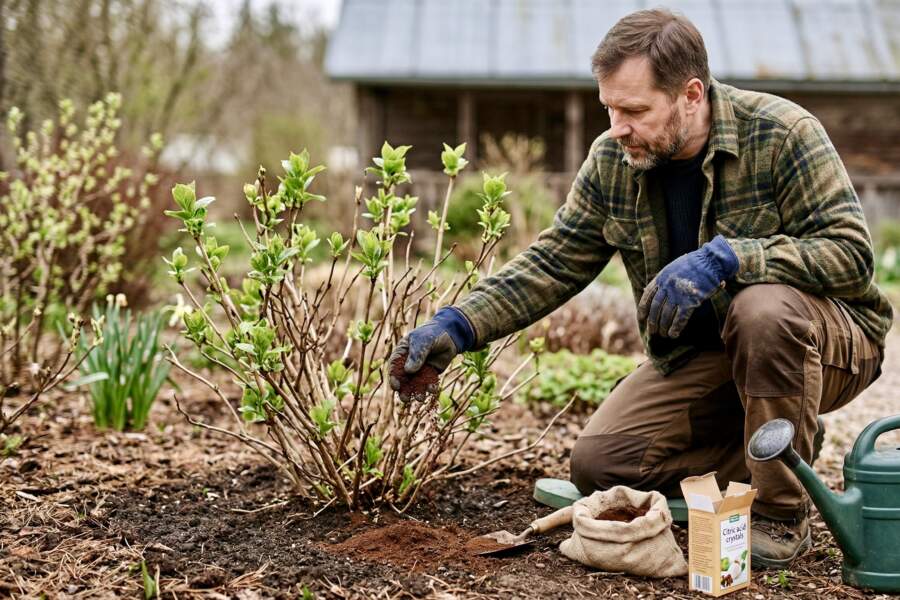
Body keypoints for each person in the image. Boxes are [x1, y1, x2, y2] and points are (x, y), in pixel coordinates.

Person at [388, 8, 892, 568]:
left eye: (634, 110)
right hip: (710, 355)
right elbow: (555, 260)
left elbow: (852, 256)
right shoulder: (614, 159)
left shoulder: (782, 134)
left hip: (828, 345)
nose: (617, 126)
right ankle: (781, 444)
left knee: (762, 308)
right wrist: (458, 326)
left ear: (691, 94)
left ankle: (780, 510)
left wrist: (731, 257)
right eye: (609, 108)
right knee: (603, 463)